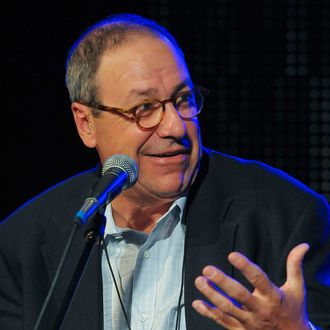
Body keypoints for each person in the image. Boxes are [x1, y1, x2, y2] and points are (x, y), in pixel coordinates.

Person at [0, 13, 329, 330]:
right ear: (86, 124)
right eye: (145, 108)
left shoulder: (287, 219)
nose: (175, 126)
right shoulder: (23, 244)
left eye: (183, 99)